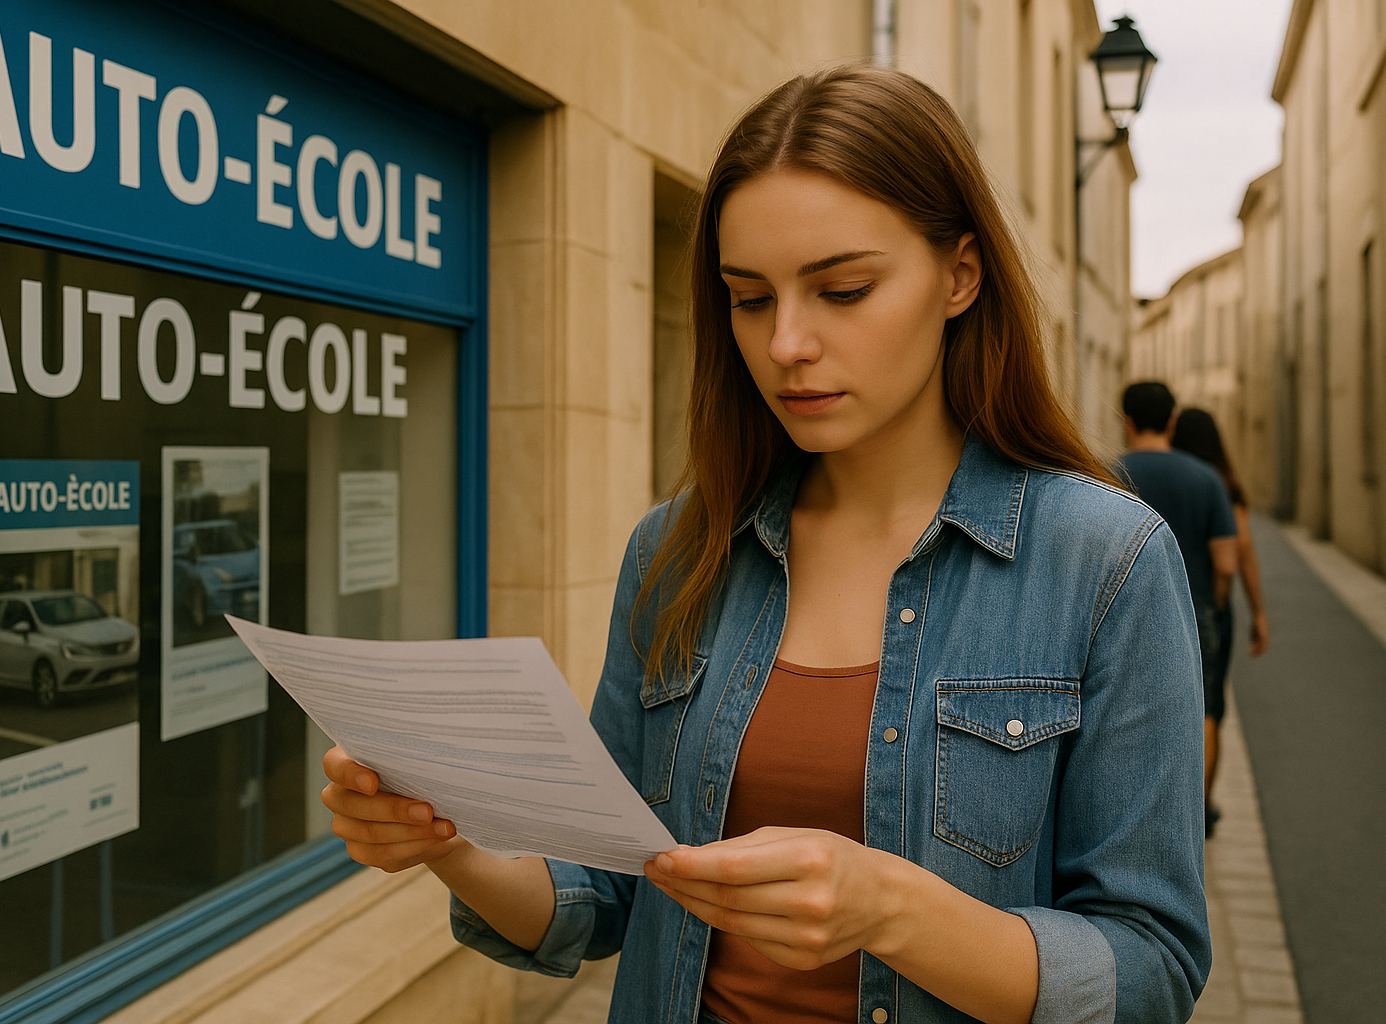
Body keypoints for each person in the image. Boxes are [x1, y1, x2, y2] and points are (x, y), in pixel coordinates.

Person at [322, 66, 1210, 1024]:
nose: (787, 342)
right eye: (750, 298)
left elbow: (1150, 968)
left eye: (842, 290)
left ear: (960, 275)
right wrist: (449, 841)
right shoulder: (678, 550)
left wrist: (890, 908)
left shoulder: (1105, 560)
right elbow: (605, 893)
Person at [1117, 384, 1239, 836]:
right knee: (1203, 709)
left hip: (1119, 611)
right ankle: (1195, 811)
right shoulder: (1205, 477)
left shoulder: (1103, 473)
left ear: (1126, 420)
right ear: (1171, 421)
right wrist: (1214, 606)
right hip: (1198, 608)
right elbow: (1226, 563)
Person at [1171, 406, 1270, 823]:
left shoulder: (1169, 475)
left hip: (1165, 606)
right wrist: (1256, 612)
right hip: (1209, 610)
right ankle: (1202, 804)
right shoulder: (1223, 485)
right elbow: (1239, 555)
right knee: (1209, 707)